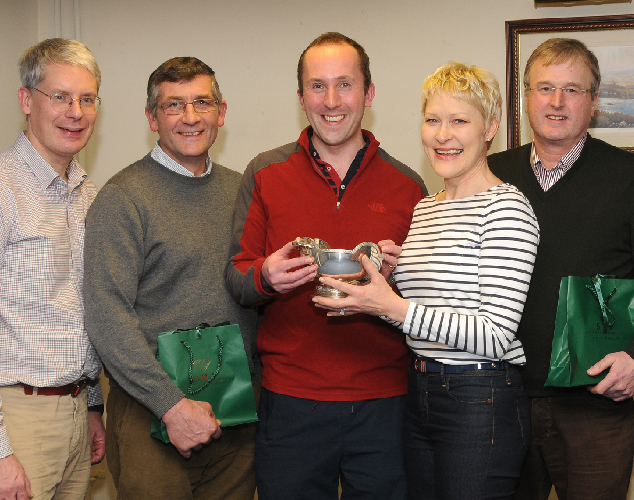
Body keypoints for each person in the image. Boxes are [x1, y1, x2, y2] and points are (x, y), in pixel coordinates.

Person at [312, 61, 539, 500]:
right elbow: (421, 319)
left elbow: (494, 334)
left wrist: (390, 305)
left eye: (459, 121)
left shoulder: (506, 208)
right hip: (420, 392)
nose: (442, 135)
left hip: (480, 397)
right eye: (433, 120)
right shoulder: (427, 207)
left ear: (490, 127)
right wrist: (382, 286)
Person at [225, 32, 426, 499]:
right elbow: (236, 278)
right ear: (300, 97)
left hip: (384, 404)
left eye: (345, 85)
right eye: (317, 86)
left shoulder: (408, 185)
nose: (331, 101)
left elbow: (425, 302)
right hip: (291, 403)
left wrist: (401, 277)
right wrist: (265, 277)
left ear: (369, 93)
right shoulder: (264, 173)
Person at [487, 38, 634, 500]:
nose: (556, 102)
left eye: (572, 89)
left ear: (594, 101)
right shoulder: (487, 176)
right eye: (544, 87)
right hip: (501, 400)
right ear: (526, 96)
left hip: (596, 406)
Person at [83, 57, 257, 499]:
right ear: (151, 117)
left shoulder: (245, 192)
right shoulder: (122, 199)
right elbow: (106, 316)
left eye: (202, 102)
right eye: (174, 105)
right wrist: (171, 407)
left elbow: (257, 290)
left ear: (222, 111)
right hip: (152, 415)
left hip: (235, 415)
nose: (191, 117)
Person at [0, 38, 104, 500]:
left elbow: (82, 309)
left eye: (86, 98)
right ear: (26, 100)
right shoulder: (4, 190)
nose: (75, 112)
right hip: (17, 418)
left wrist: (94, 406)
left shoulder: (90, 194)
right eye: (60, 97)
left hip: (77, 410)